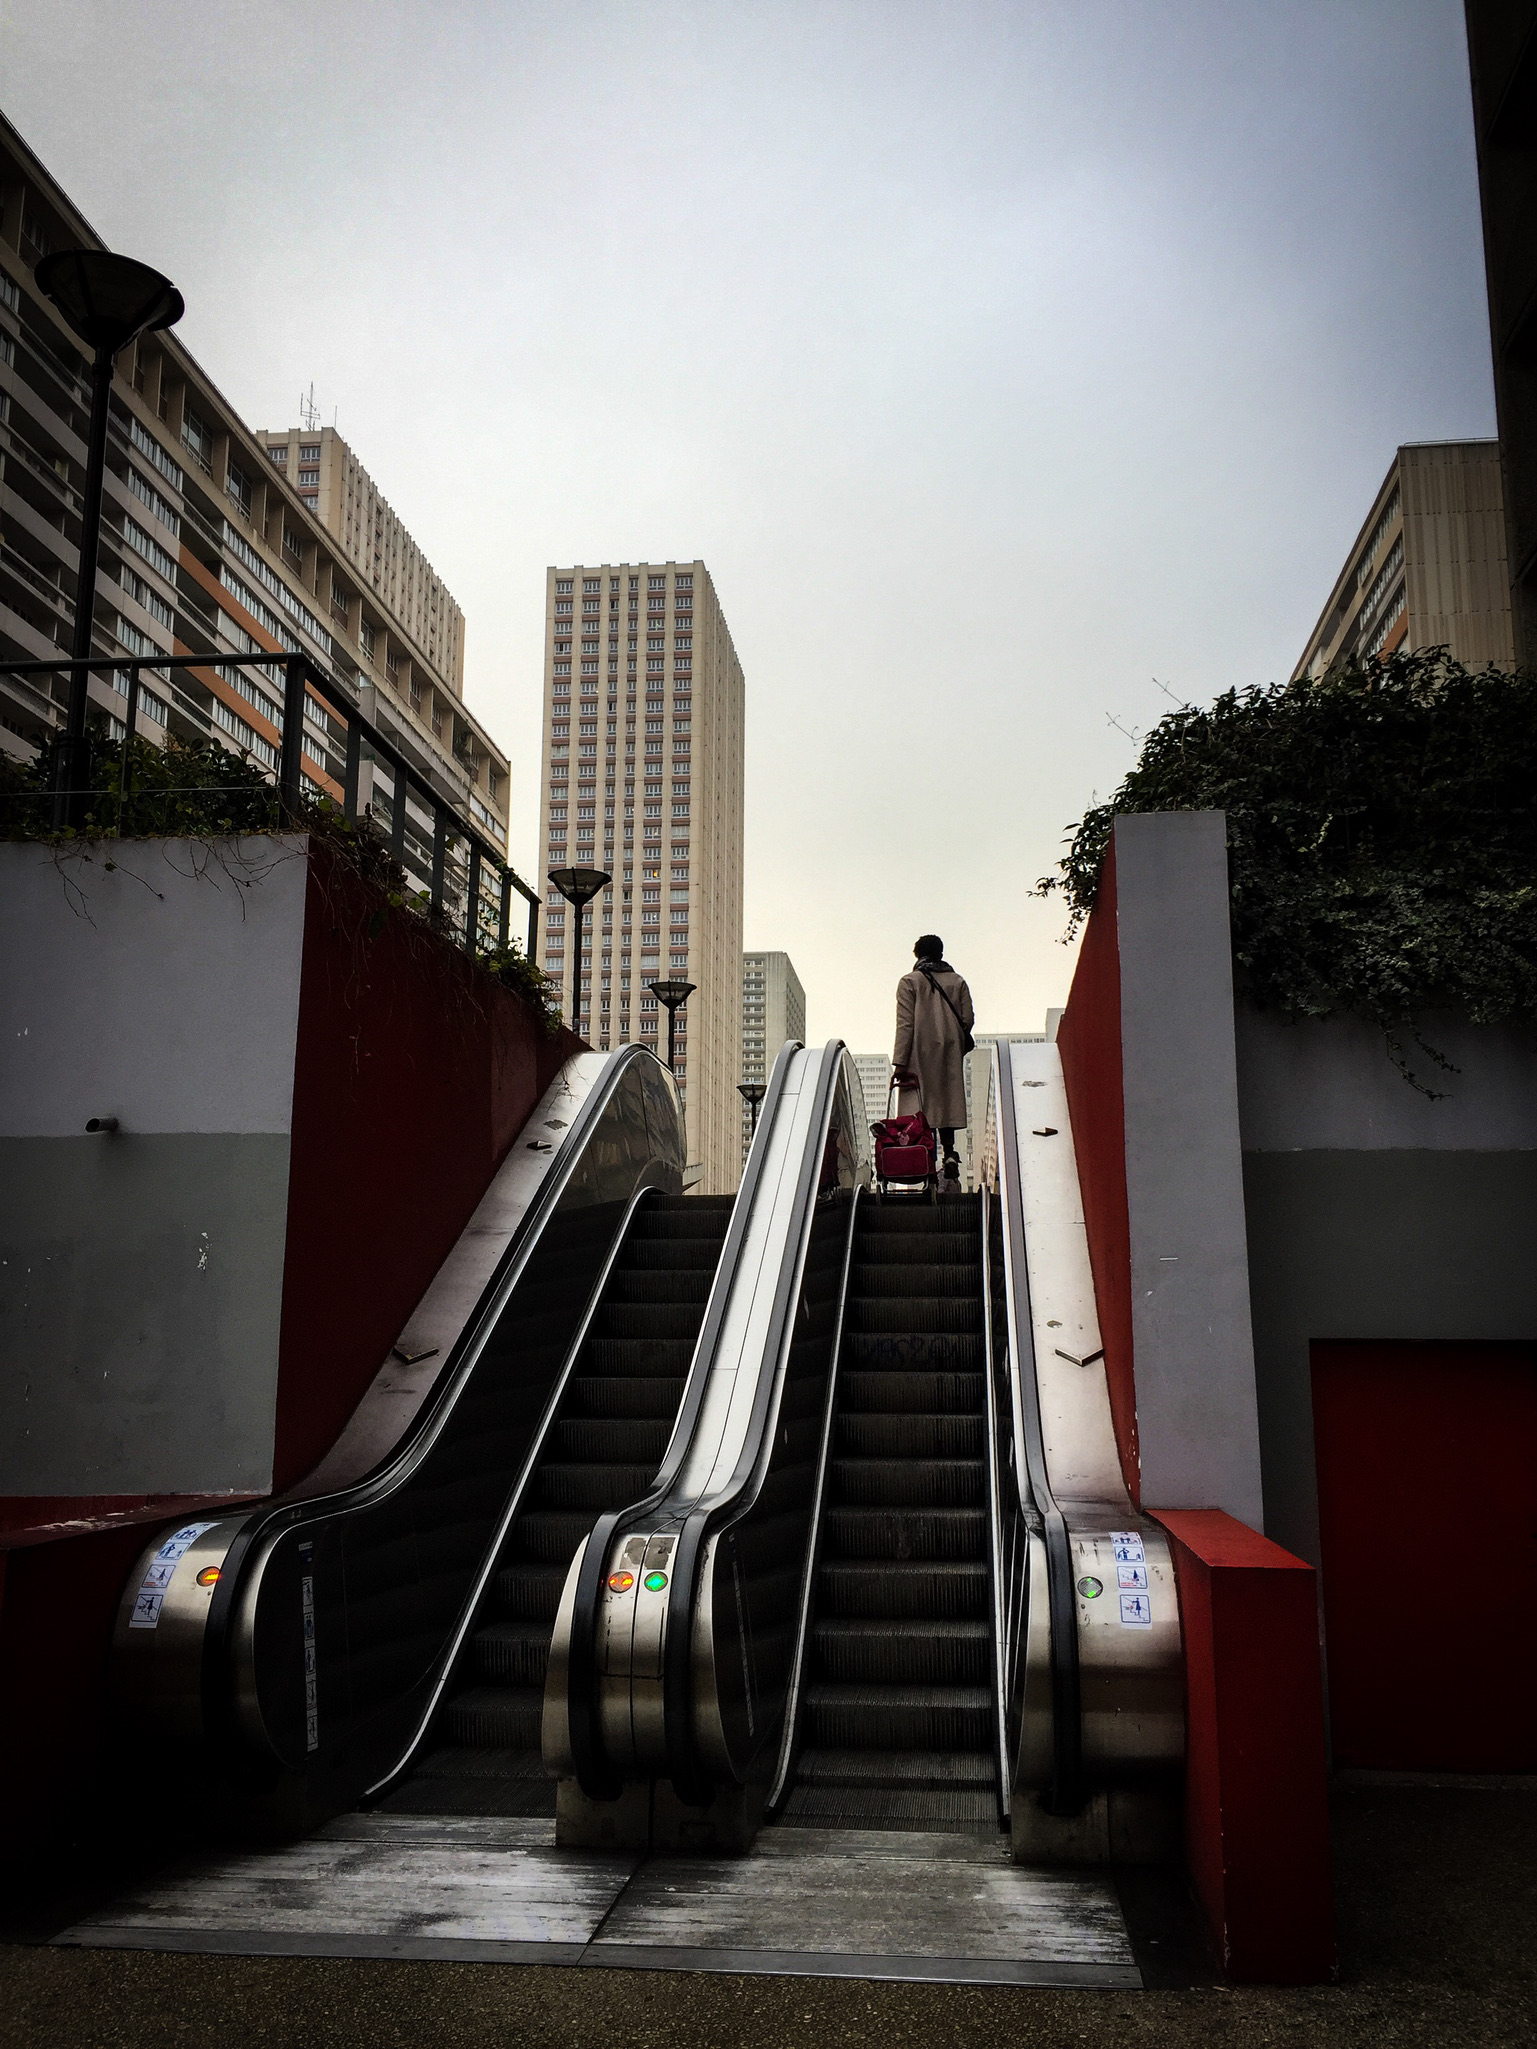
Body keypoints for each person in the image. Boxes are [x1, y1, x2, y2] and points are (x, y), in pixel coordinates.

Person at [892, 934, 973, 1192]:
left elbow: (905, 1024)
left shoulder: (909, 982)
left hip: (918, 1052)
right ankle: (950, 1153)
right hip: (949, 1049)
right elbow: (968, 1019)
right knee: (946, 1103)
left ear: (917, 955)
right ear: (940, 953)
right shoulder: (958, 981)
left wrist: (900, 1062)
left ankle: (927, 1163)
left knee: (921, 1109)